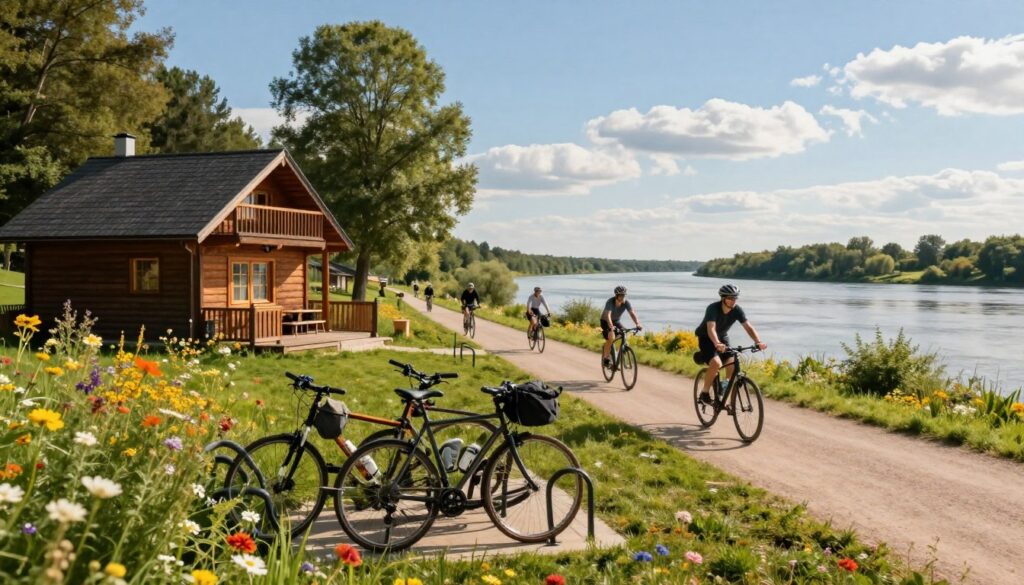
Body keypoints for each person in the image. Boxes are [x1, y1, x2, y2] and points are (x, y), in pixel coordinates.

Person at [694, 284, 768, 404]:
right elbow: (711, 328)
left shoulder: (737, 310)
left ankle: (725, 384)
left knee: (732, 360)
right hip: (706, 338)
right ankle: (705, 393)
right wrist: (717, 343)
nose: (733, 301)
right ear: (723, 298)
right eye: (730, 298)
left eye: (735, 298)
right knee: (716, 363)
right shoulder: (713, 308)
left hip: (722, 337)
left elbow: (748, 326)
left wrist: (758, 341)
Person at [601, 285, 642, 366]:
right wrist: (611, 326)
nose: (623, 297)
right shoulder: (610, 302)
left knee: (624, 334)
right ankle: (606, 357)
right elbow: (608, 315)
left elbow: (632, 313)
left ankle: (616, 352)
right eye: (621, 295)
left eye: (624, 295)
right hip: (605, 321)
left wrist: (637, 323)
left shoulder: (626, 303)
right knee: (611, 337)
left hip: (616, 321)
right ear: (616, 295)